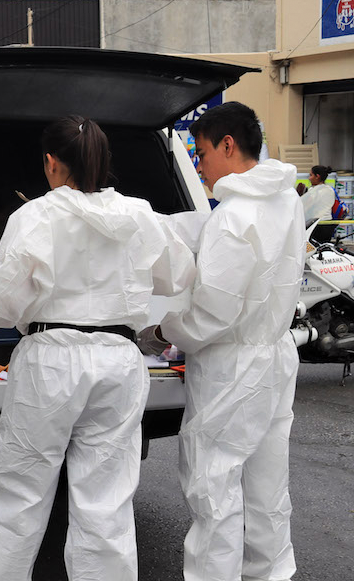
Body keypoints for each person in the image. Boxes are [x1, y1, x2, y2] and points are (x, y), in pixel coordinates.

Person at [0, 116, 196, 581]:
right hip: (119, 358)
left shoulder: (36, 216)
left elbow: (0, 306)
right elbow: (178, 275)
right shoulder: (140, 214)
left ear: (51, 163)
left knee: (21, 486)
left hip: (51, 357)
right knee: (106, 497)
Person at [140, 102, 303, 581]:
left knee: (215, 488)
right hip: (275, 353)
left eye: (203, 150)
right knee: (268, 486)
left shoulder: (233, 218)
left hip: (233, 368)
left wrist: (162, 332)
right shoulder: (286, 199)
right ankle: (270, 575)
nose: (200, 164)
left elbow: (212, 311)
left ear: (228, 145)